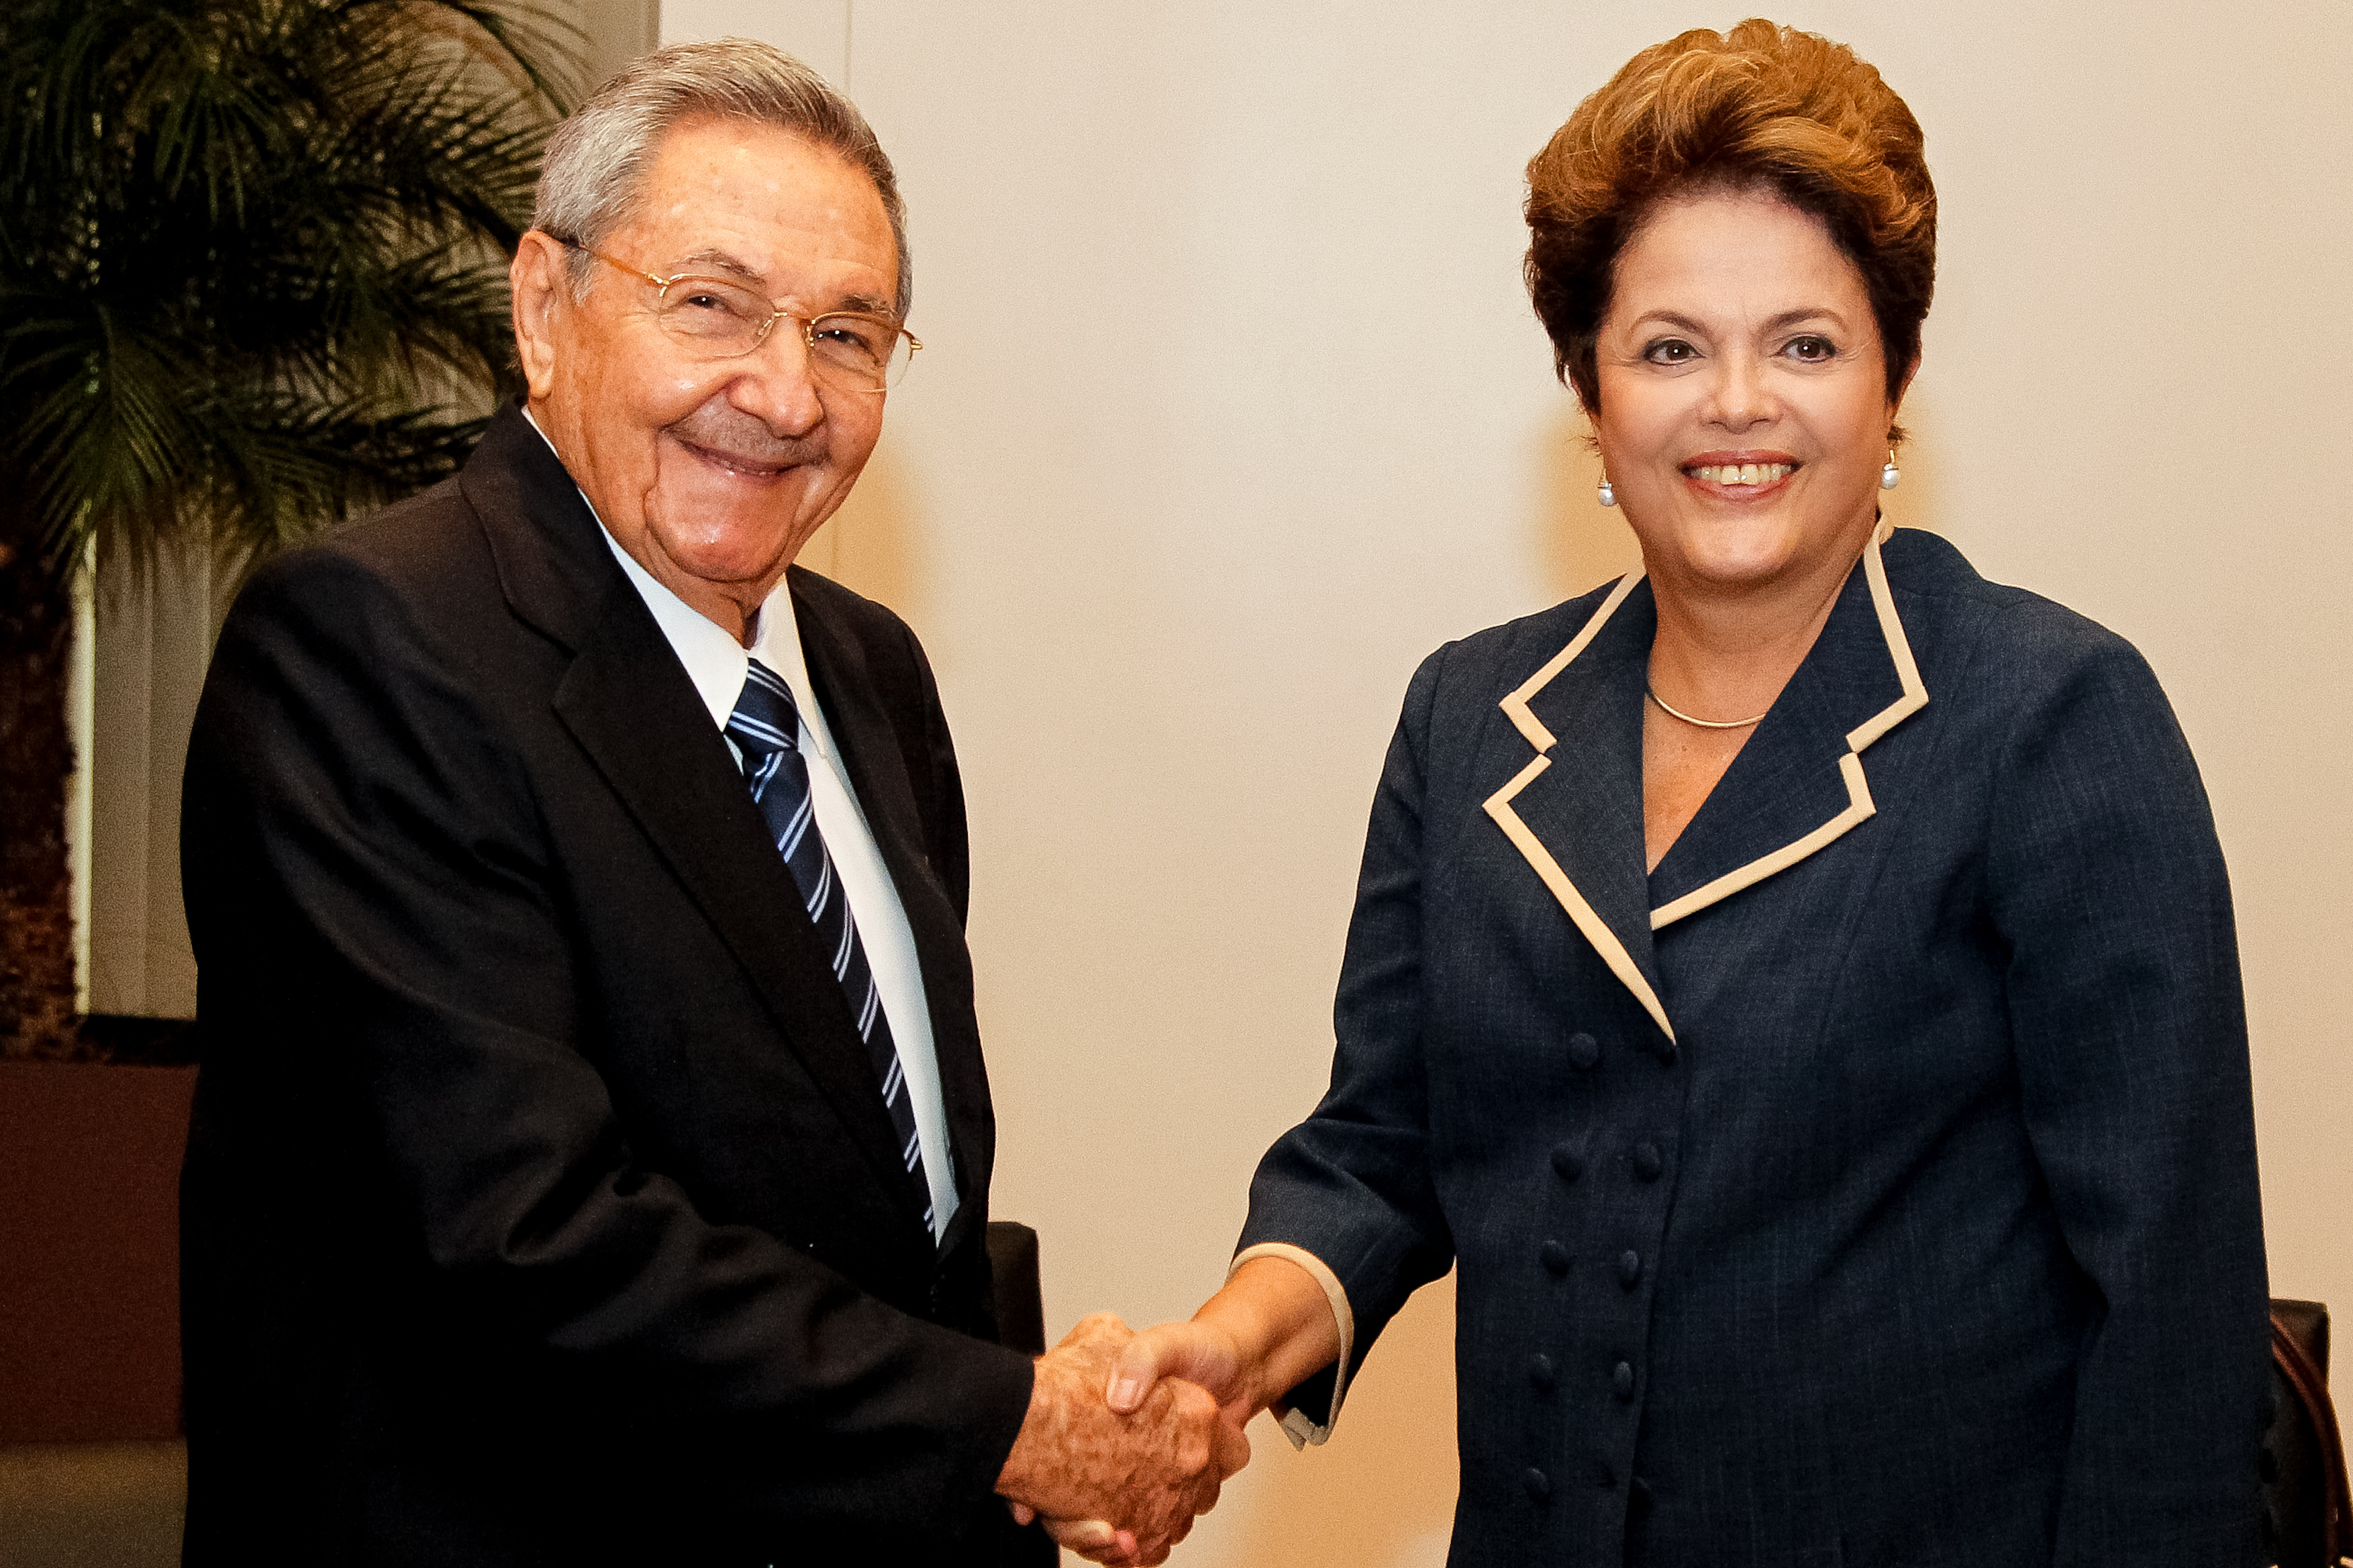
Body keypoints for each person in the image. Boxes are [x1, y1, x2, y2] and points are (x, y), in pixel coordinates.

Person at [1084, 19, 2270, 1567]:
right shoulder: (1472, 718)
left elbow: (2171, 1318)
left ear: (1896, 375)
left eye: (1804, 344)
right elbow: (1382, 1144)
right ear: (1588, 389)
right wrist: (1232, 1345)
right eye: (1667, 348)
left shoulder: (2048, 718)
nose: (1736, 402)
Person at [179, 40, 1235, 1566]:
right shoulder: (373, 644)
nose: (784, 393)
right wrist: (1006, 1422)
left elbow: (874, 1203)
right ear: (543, 309)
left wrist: (1033, 1424)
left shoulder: (869, 674)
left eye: (847, 334)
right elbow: (520, 1236)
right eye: (711, 304)